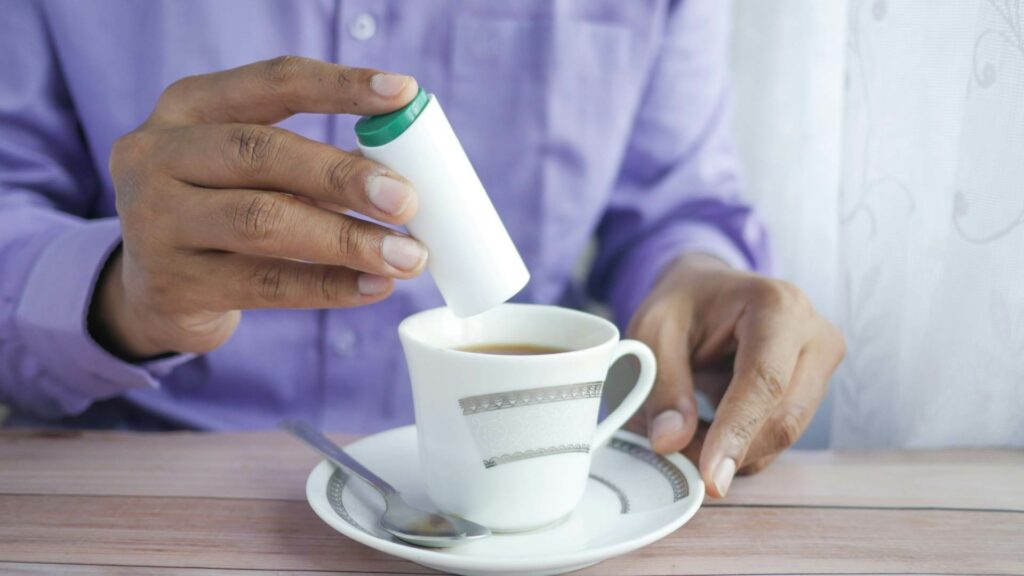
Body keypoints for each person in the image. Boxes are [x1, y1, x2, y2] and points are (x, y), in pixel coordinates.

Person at [0, 0, 844, 497]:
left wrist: (699, 282)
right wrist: (128, 295)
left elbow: (670, 204)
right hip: (155, 486)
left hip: (522, 489)